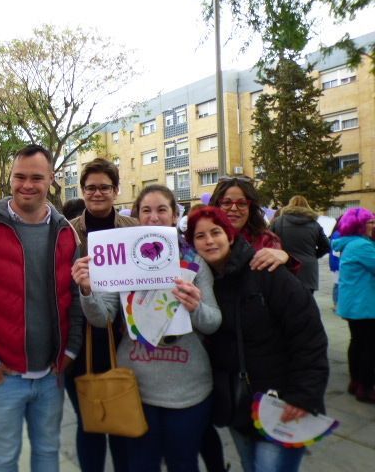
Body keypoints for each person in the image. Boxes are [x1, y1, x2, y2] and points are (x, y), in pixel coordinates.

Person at [71, 184, 221, 472]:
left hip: (188, 391)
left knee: (183, 464)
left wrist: (195, 307)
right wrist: (87, 290)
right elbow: (102, 318)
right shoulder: (122, 261)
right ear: (137, 217)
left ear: (175, 215)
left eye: (162, 209)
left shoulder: (194, 261)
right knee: (141, 464)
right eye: (146, 210)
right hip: (136, 389)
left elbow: (213, 323)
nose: (154, 217)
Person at [0, 144, 83, 472]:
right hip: (3, 377)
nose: (27, 185)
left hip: (51, 375)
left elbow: (75, 296)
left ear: (51, 179)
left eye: (36, 178)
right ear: (11, 178)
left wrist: (71, 350)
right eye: (20, 177)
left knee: (47, 452)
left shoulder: (66, 233)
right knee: (3, 458)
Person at [186, 206, 328, 472]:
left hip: (282, 404)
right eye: (200, 236)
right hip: (239, 407)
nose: (209, 241)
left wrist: (303, 396)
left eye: (215, 232)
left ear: (230, 236)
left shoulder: (265, 269)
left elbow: (308, 335)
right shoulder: (202, 283)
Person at [67, 158, 137, 472]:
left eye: (104, 187)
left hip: (125, 337)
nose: (97, 193)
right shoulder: (67, 232)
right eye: (91, 187)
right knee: (89, 421)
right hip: (82, 338)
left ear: (116, 190)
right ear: (82, 190)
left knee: (122, 419)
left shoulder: (134, 228)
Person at [331, 207, 375, 403]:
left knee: (358, 342)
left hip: (354, 303)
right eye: (370, 222)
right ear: (359, 226)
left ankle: (356, 382)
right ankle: (366, 387)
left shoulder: (351, 243)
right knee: (369, 347)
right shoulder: (362, 245)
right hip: (363, 304)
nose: (373, 225)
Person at [209, 175, 295, 271]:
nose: (234, 208)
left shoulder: (267, 240)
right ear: (216, 206)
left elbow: (283, 278)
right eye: (226, 203)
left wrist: (286, 259)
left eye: (242, 203)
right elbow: (195, 268)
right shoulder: (202, 238)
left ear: (251, 208)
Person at [270, 195, 330, 293]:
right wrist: (313, 255)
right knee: (306, 301)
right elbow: (326, 246)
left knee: (285, 301)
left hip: (285, 268)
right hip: (308, 272)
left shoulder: (278, 222)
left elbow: (268, 242)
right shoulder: (314, 224)